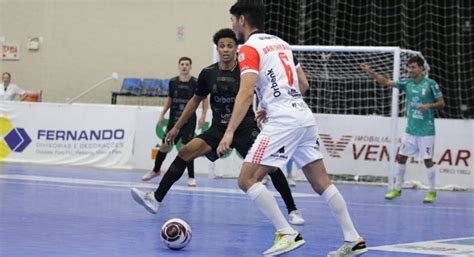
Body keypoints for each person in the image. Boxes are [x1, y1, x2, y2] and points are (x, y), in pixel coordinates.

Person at [216, 1, 367, 256]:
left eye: (232, 20)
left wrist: (230, 131)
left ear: (242, 20)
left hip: (284, 121)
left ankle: (287, 233)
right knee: (321, 183)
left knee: (246, 179)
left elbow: (245, 92)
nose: (232, 26)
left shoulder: (249, 48)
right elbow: (304, 84)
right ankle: (353, 238)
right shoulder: (282, 43)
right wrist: (270, 102)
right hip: (303, 116)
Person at [131, 28, 304, 225]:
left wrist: (266, 110)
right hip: (218, 128)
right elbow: (195, 101)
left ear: (236, 48)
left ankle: (293, 210)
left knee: (271, 166)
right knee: (185, 152)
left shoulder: (247, 70)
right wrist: (176, 127)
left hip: (245, 127)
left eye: (230, 46)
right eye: (222, 46)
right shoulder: (207, 73)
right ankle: (156, 198)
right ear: (218, 48)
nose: (226, 50)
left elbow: (265, 91)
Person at [360, 56, 445, 203]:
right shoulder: (407, 83)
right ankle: (397, 189)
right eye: (409, 67)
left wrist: (428, 106)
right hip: (410, 130)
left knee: (427, 160)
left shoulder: (430, 84)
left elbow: (441, 103)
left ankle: (432, 191)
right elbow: (386, 82)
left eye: (413, 67)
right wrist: (370, 72)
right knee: (401, 157)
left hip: (426, 130)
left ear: (421, 68)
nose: (410, 70)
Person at [141, 57, 208, 187]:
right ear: (179, 66)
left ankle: (191, 176)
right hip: (173, 120)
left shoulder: (196, 82)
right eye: (182, 64)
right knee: (164, 146)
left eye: (187, 64)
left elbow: (204, 99)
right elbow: (170, 99)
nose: (184, 66)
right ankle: (156, 170)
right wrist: (162, 114)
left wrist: (203, 115)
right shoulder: (173, 82)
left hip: (188, 121)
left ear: (190, 67)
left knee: (187, 148)